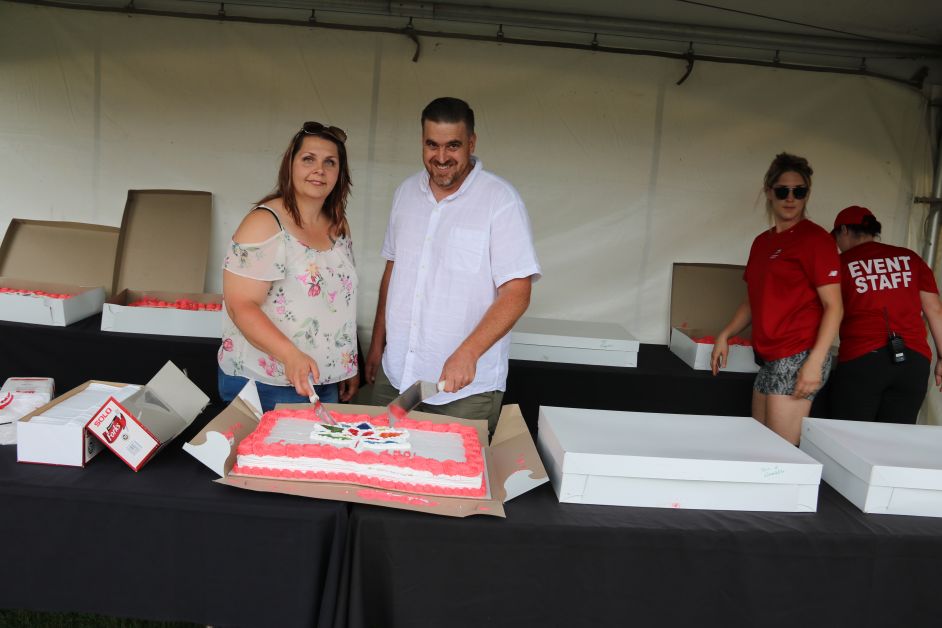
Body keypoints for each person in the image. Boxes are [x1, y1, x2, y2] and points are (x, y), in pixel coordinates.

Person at [365, 97, 541, 431]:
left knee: (449, 478)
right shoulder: (405, 193)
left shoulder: (501, 201)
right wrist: (377, 345)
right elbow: (393, 272)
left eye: (453, 145)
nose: (442, 157)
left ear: (471, 143)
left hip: (463, 392)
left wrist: (468, 353)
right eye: (432, 145)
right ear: (422, 141)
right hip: (396, 374)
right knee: (378, 470)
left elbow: (517, 292)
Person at [217, 122, 360, 412]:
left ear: (339, 174)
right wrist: (289, 355)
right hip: (265, 383)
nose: (319, 169)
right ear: (290, 166)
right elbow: (241, 305)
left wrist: (346, 362)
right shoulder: (265, 224)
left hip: (322, 382)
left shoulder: (338, 225)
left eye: (329, 162)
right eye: (308, 159)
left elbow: (337, 302)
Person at [711, 152, 843, 445]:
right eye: (783, 190)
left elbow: (834, 306)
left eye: (800, 191)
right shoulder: (762, 242)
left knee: (780, 452)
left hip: (800, 352)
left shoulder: (816, 240)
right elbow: (753, 300)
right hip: (771, 356)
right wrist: (725, 334)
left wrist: (815, 361)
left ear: (807, 194)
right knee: (759, 443)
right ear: (769, 192)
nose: (791, 198)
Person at [829, 205, 942, 423]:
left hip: (862, 358)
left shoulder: (841, 264)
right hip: (913, 361)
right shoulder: (910, 258)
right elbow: (934, 310)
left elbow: (828, 309)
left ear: (843, 230)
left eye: (835, 237)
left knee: (849, 438)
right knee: (895, 442)